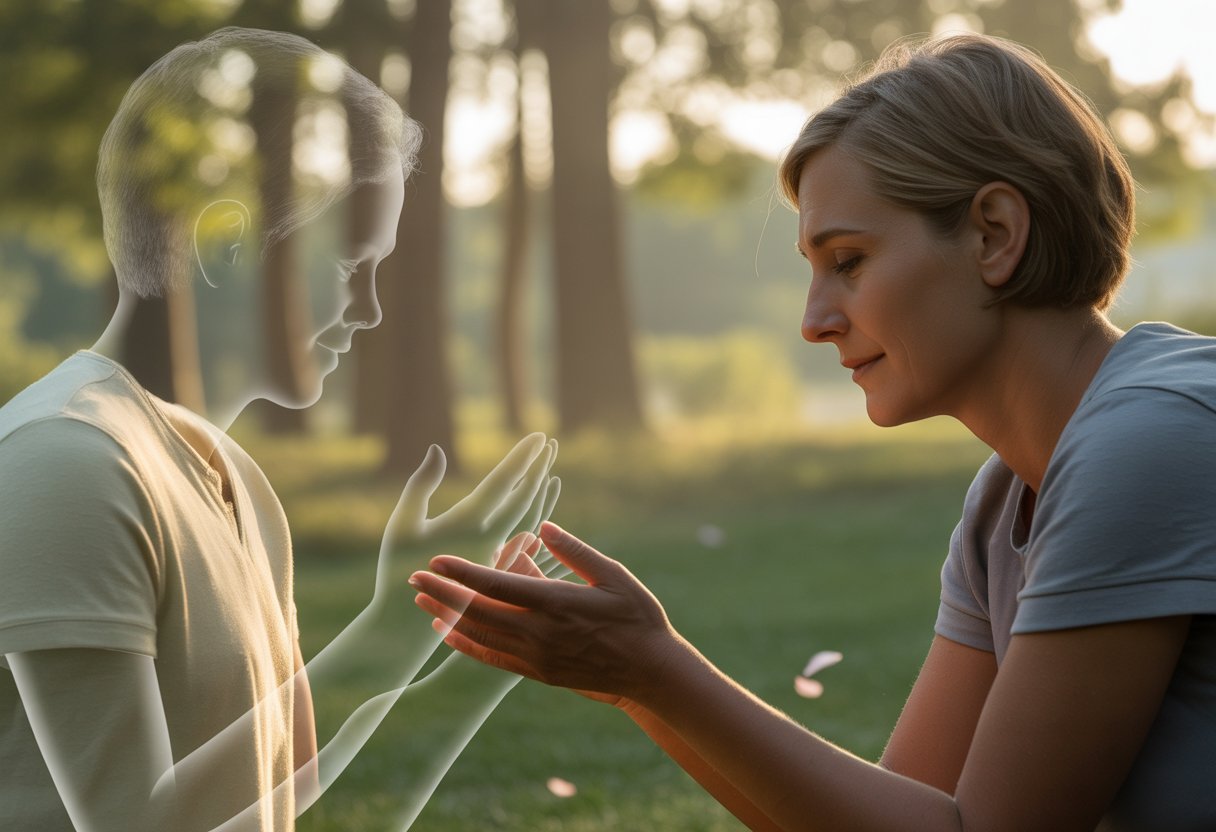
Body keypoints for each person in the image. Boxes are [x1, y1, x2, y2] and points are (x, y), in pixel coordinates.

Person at [410, 33, 1216, 831]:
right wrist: (635, 681)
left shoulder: (1148, 443)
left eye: (849, 260)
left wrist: (655, 668)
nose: (815, 322)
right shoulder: (1007, 498)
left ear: (994, 234)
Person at [0, 27, 558, 832]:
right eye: (349, 270)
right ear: (225, 245)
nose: (366, 310)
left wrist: (445, 637)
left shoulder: (236, 479)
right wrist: (389, 638)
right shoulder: (65, 462)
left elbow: (281, 788)